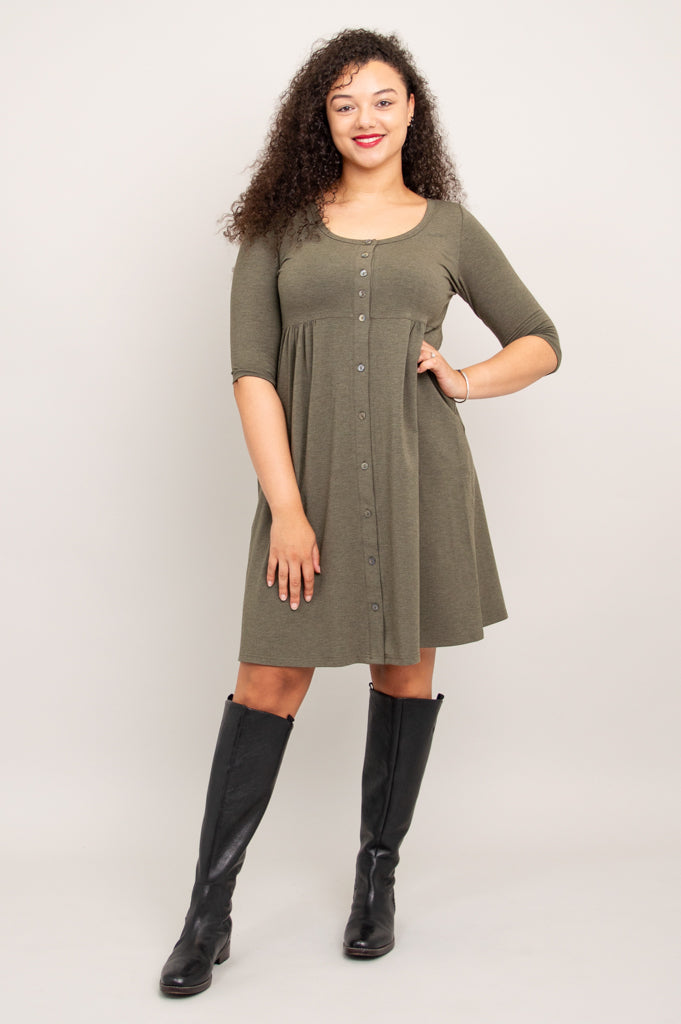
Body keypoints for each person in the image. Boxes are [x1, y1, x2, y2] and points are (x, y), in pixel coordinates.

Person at [159, 27, 561, 997]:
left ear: (411, 109)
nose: (364, 119)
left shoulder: (447, 228)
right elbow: (252, 373)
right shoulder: (277, 228)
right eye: (343, 104)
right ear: (321, 119)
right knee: (267, 681)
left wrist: (463, 378)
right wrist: (287, 509)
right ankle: (208, 913)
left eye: (381, 99)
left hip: (421, 483)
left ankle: (375, 883)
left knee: (404, 674)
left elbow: (539, 339)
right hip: (309, 491)